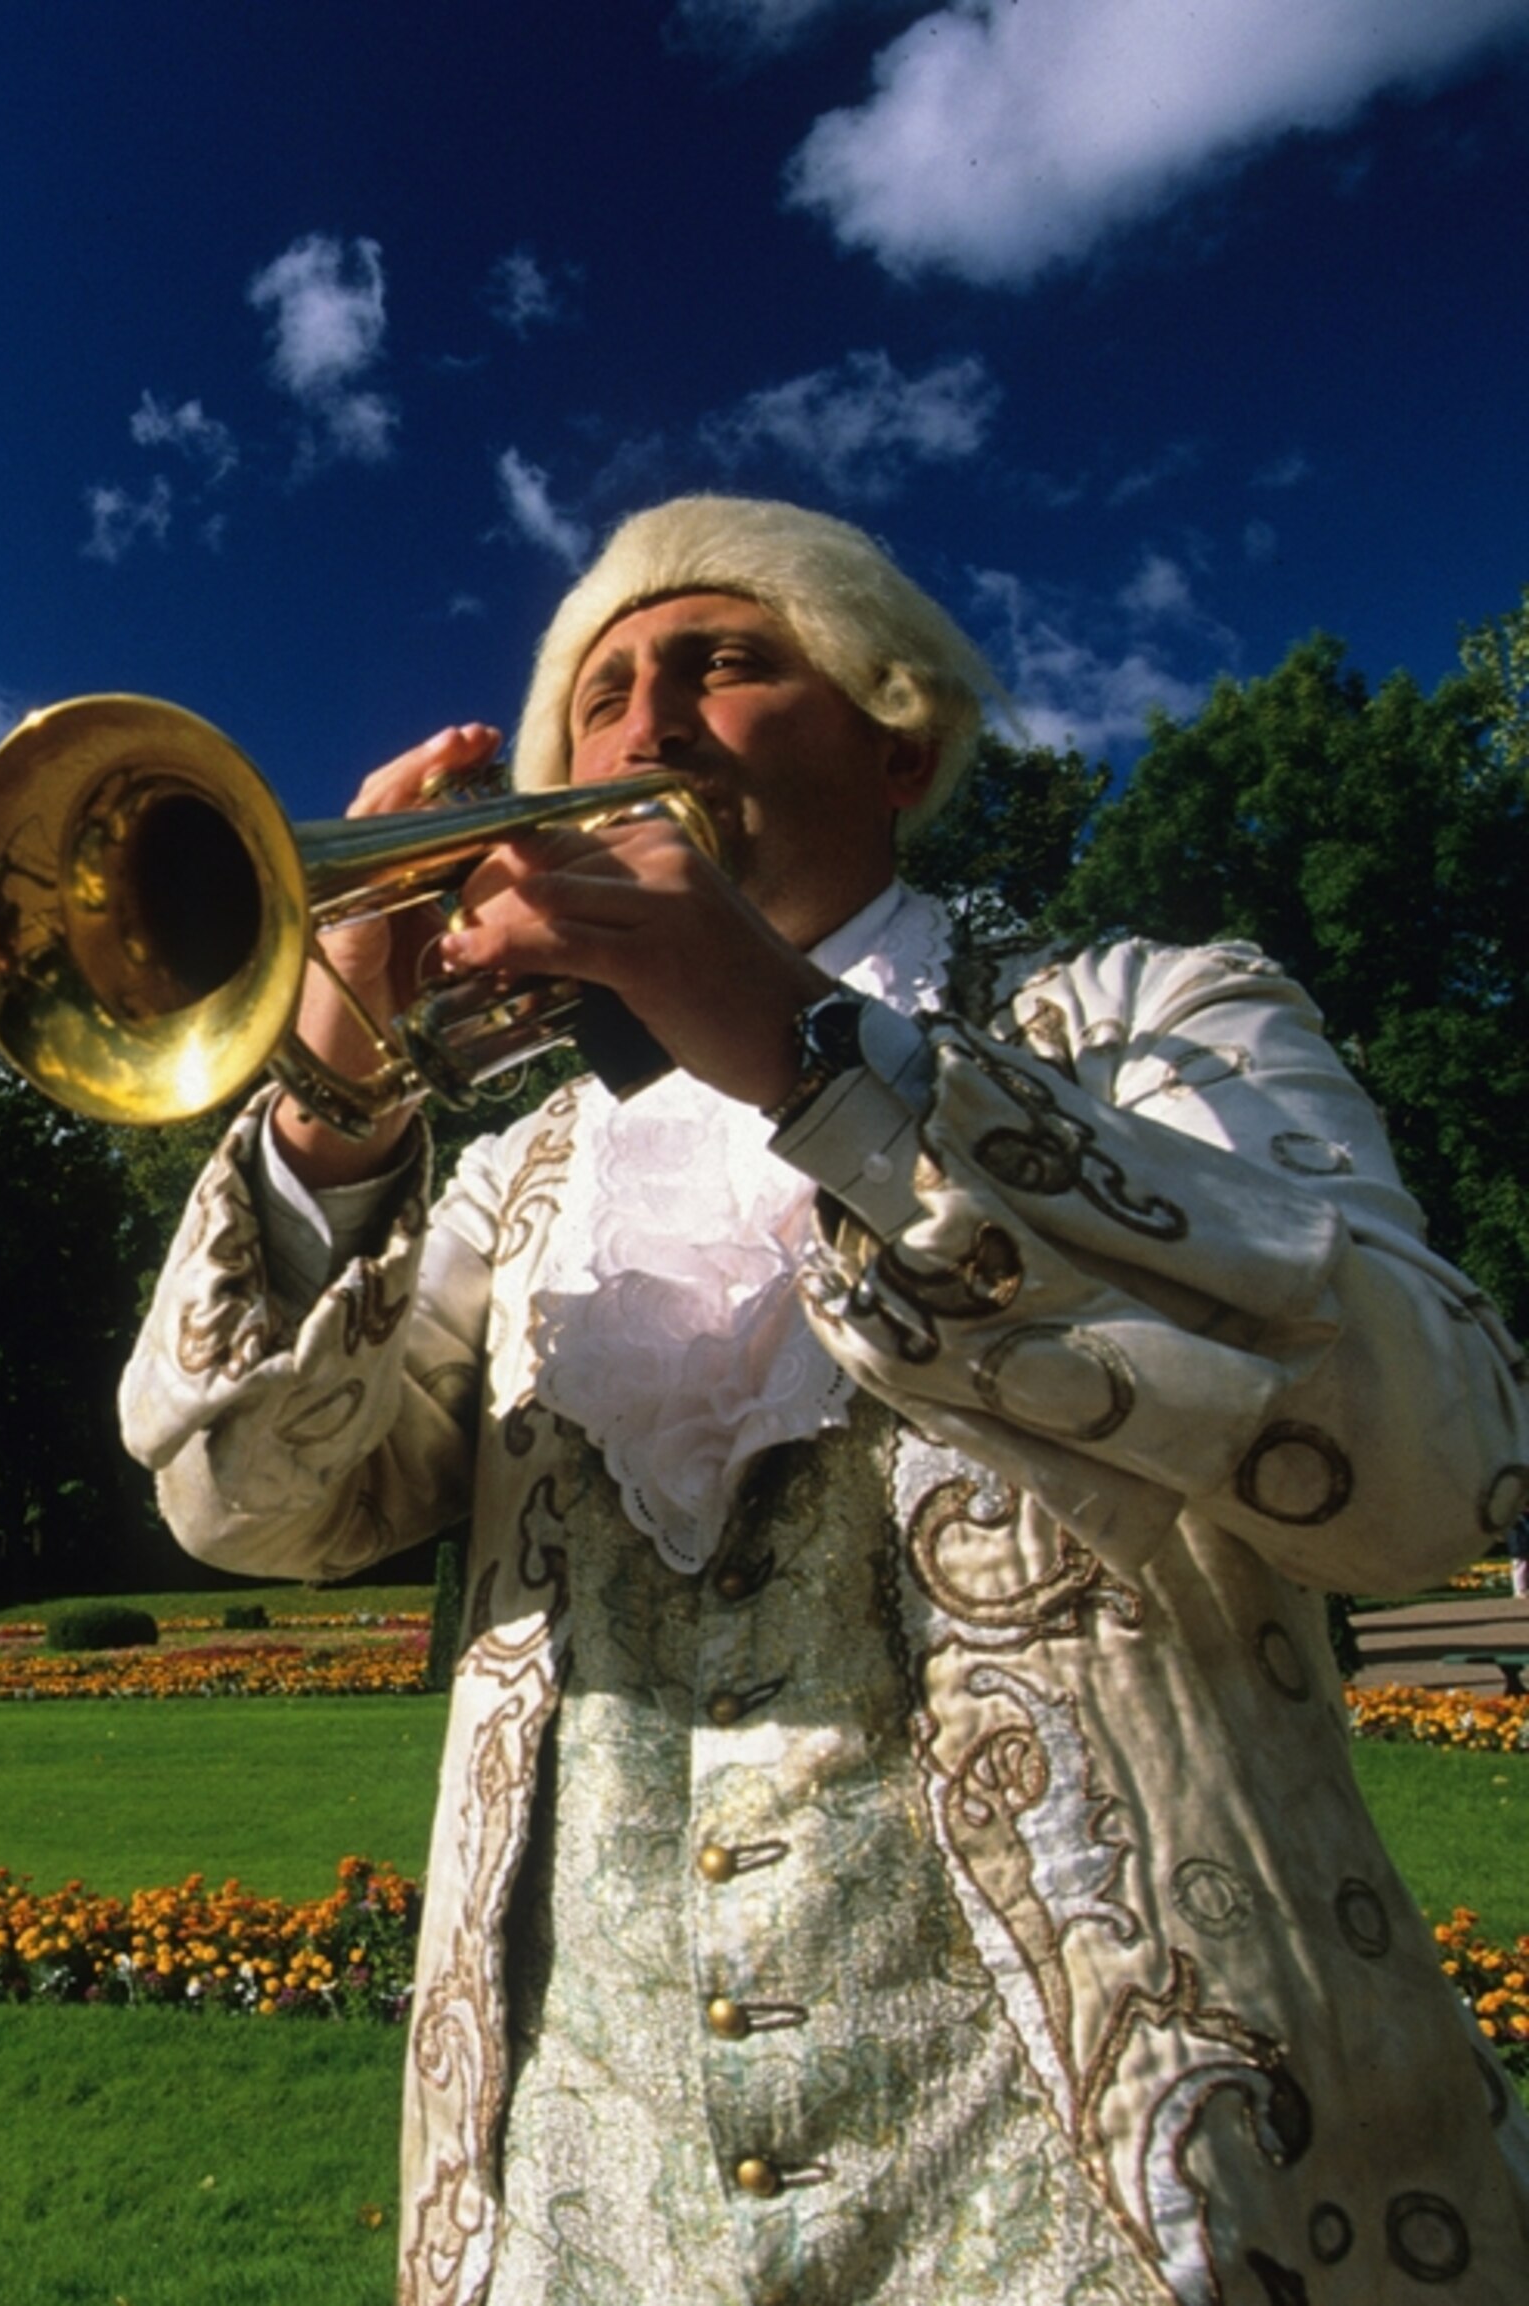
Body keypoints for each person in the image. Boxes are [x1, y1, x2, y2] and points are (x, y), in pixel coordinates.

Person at [121, 495, 1529, 2303]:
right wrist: (334, 1093)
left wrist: (811, 1053)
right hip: (583, 2226)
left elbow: (1439, 1459)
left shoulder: (1149, 1016)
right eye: (601, 693)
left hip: (1147, 2211)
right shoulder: (518, 1175)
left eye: (722, 661)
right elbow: (243, 1502)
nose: (648, 719)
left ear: (898, 741)